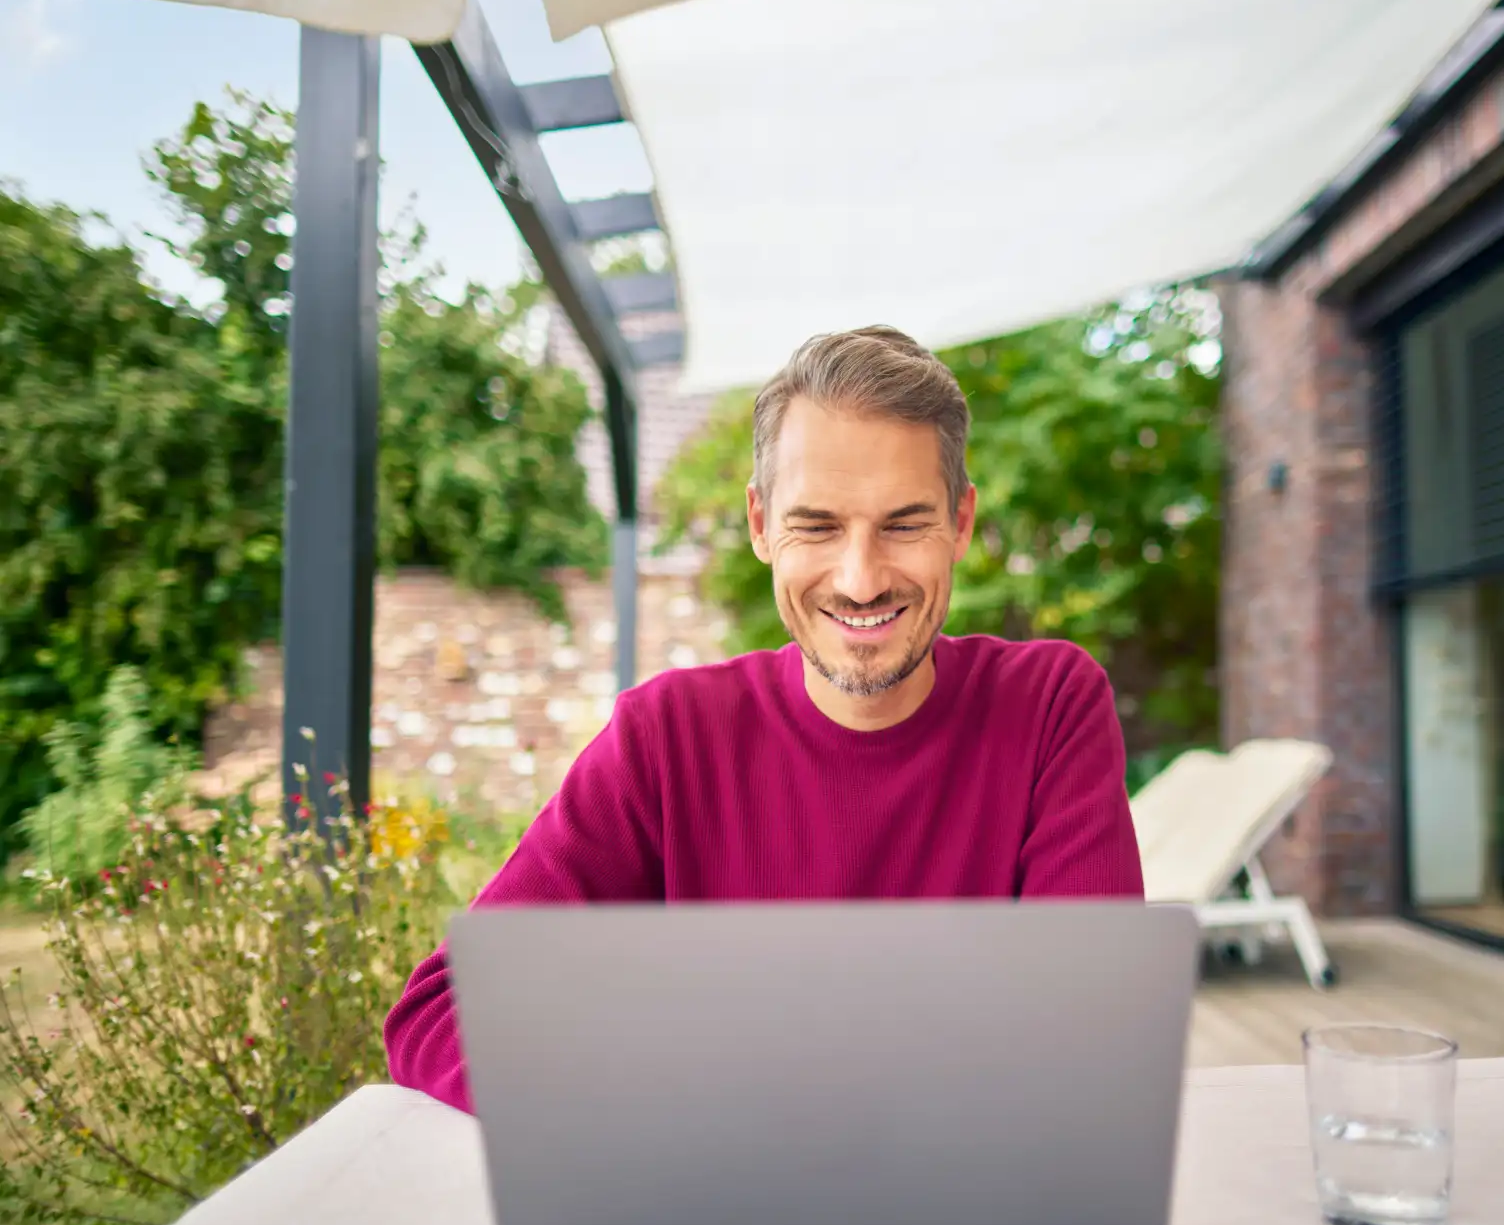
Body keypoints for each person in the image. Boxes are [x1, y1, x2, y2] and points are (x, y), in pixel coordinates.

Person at [384, 325, 1145, 1113]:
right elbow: (441, 1009)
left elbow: (1088, 1024)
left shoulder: (1050, 706)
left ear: (960, 522)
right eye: (816, 525)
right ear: (758, 524)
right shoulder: (666, 739)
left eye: (904, 523)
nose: (860, 578)